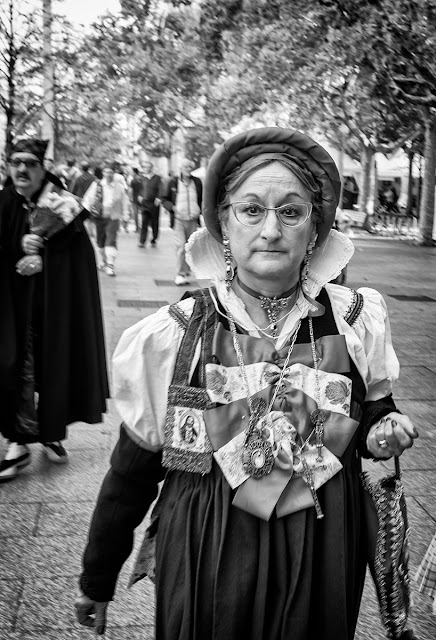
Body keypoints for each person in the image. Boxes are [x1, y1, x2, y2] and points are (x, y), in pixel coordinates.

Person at [75, 127, 418, 639]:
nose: (271, 230)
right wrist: (96, 578)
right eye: (251, 209)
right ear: (223, 224)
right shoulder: (174, 336)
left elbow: (372, 417)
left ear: (315, 227)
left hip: (324, 547)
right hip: (206, 548)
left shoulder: (353, 320)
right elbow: (132, 472)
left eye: (291, 211)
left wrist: (383, 431)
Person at [0, 138, 109, 481]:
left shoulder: (63, 205)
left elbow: (79, 261)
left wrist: (45, 258)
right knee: (12, 367)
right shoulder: (3, 203)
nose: (21, 169)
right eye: (15, 162)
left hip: (53, 311)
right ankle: (17, 442)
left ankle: (49, 432)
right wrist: (17, 250)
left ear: (43, 167)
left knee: (54, 367)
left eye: (30, 163)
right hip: (13, 310)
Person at [82, 164, 129, 276]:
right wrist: (85, 212)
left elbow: (125, 202)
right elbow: (88, 198)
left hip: (113, 217)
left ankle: (110, 265)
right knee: (100, 242)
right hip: (99, 217)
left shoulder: (119, 187)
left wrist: (126, 216)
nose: (108, 174)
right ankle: (104, 261)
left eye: (110, 172)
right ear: (103, 173)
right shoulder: (97, 184)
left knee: (111, 240)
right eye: (106, 172)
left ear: (114, 173)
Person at [161, 158, 202, 285]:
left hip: (193, 219)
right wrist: (172, 207)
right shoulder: (173, 182)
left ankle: (185, 272)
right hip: (178, 218)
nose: (188, 169)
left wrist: (200, 211)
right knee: (181, 246)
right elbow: (164, 198)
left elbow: (201, 198)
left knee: (189, 248)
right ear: (181, 168)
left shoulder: (197, 182)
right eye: (186, 167)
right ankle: (179, 274)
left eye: (190, 167)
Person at [138, 160, 162, 248]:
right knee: (144, 222)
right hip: (145, 203)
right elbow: (141, 188)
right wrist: (140, 195)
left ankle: (154, 239)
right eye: (144, 167)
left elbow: (160, 188)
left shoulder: (157, 178)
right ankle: (142, 241)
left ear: (151, 168)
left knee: (154, 223)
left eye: (147, 167)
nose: (145, 169)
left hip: (154, 203)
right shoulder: (142, 178)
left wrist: (159, 198)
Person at [129, 167, 142, 233]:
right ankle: (143, 227)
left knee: (136, 214)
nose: (131, 173)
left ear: (134, 172)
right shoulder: (142, 179)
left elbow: (130, 190)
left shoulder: (133, 181)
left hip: (135, 199)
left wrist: (130, 198)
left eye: (131, 172)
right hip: (142, 199)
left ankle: (137, 228)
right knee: (142, 214)